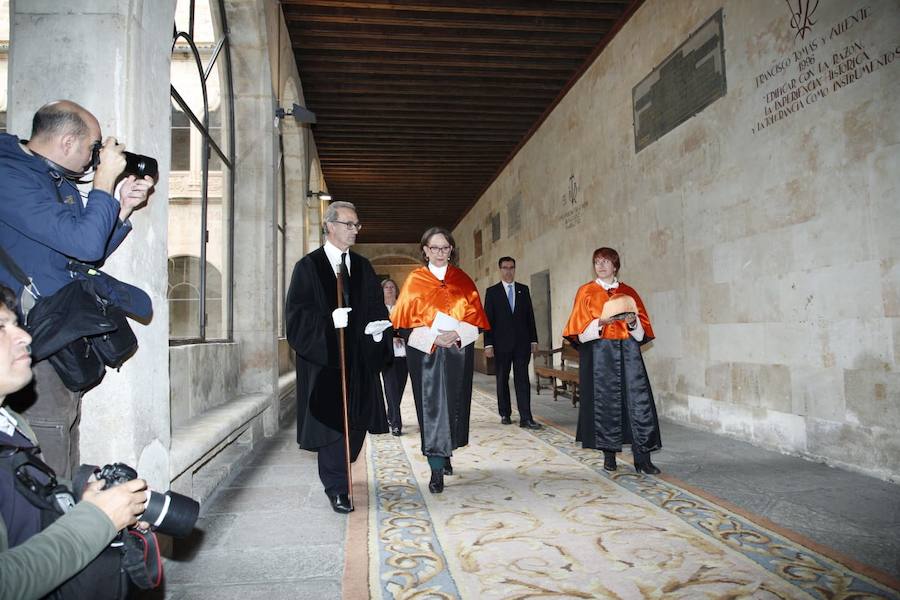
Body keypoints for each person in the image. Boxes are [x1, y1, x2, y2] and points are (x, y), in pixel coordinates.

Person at [0, 100, 154, 480]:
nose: (94, 158)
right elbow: (83, 245)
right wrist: (103, 181)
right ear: (68, 141)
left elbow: (86, 252)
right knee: (47, 447)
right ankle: (52, 534)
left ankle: (69, 522)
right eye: (93, 148)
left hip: (59, 333)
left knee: (64, 431)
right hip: (32, 336)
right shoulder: (10, 176)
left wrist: (120, 209)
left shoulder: (50, 177)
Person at [0, 284, 149, 600]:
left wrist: (80, 495)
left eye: (15, 323)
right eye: (2, 328)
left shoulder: (12, 424)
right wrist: (98, 519)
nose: (25, 336)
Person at [285, 201, 392, 513]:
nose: (355, 230)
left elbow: (374, 308)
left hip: (358, 362)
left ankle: (343, 470)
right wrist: (329, 322)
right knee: (333, 426)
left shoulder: (362, 267)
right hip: (325, 365)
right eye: (349, 224)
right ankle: (337, 488)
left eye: (357, 225)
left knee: (355, 427)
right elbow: (297, 318)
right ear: (329, 226)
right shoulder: (308, 267)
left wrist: (375, 331)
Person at [391, 227, 489, 494]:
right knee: (432, 406)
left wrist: (457, 333)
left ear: (451, 250)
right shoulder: (414, 280)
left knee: (455, 403)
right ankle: (436, 467)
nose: (440, 253)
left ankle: (446, 454)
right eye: (434, 248)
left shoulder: (463, 280)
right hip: (426, 354)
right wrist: (434, 338)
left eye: (445, 248)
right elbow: (403, 324)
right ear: (425, 250)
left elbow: (477, 321)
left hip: (458, 350)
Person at [562, 247, 661, 474]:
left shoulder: (629, 292)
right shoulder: (586, 292)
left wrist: (632, 322)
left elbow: (642, 333)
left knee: (638, 404)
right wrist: (601, 322)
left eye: (606, 261)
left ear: (615, 266)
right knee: (605, 403)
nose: (601, 266)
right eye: (597, 262)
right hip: (600, 355)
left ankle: (642, 459)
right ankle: (609, 456)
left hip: (629, 355)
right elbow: (578, 332)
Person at [483, 256, 542, 429]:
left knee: (522, 379)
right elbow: (488, 320)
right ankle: (505, 413)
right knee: (502, 379)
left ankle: (526, 417)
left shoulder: (523, 290)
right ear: (500, 270)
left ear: (515, 269)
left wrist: (534, 339)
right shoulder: (492, 292)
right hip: (501, 345)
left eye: (511, 268)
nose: (509, 271)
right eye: (505, 268)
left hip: (522, 345)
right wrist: (488, 344)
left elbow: (530, 317)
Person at [381, 278, 408, 437]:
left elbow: (410, 327)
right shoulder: (378, 309)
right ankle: (396, 424)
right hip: (387, 355)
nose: (389, 289)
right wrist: (391, 337)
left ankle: (391, 414)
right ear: (382, 291)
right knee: (391, 389)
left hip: (404, 355)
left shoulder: (403, 307)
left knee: (399, 389)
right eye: (386, 287)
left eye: (392, 287)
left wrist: (401, 336)